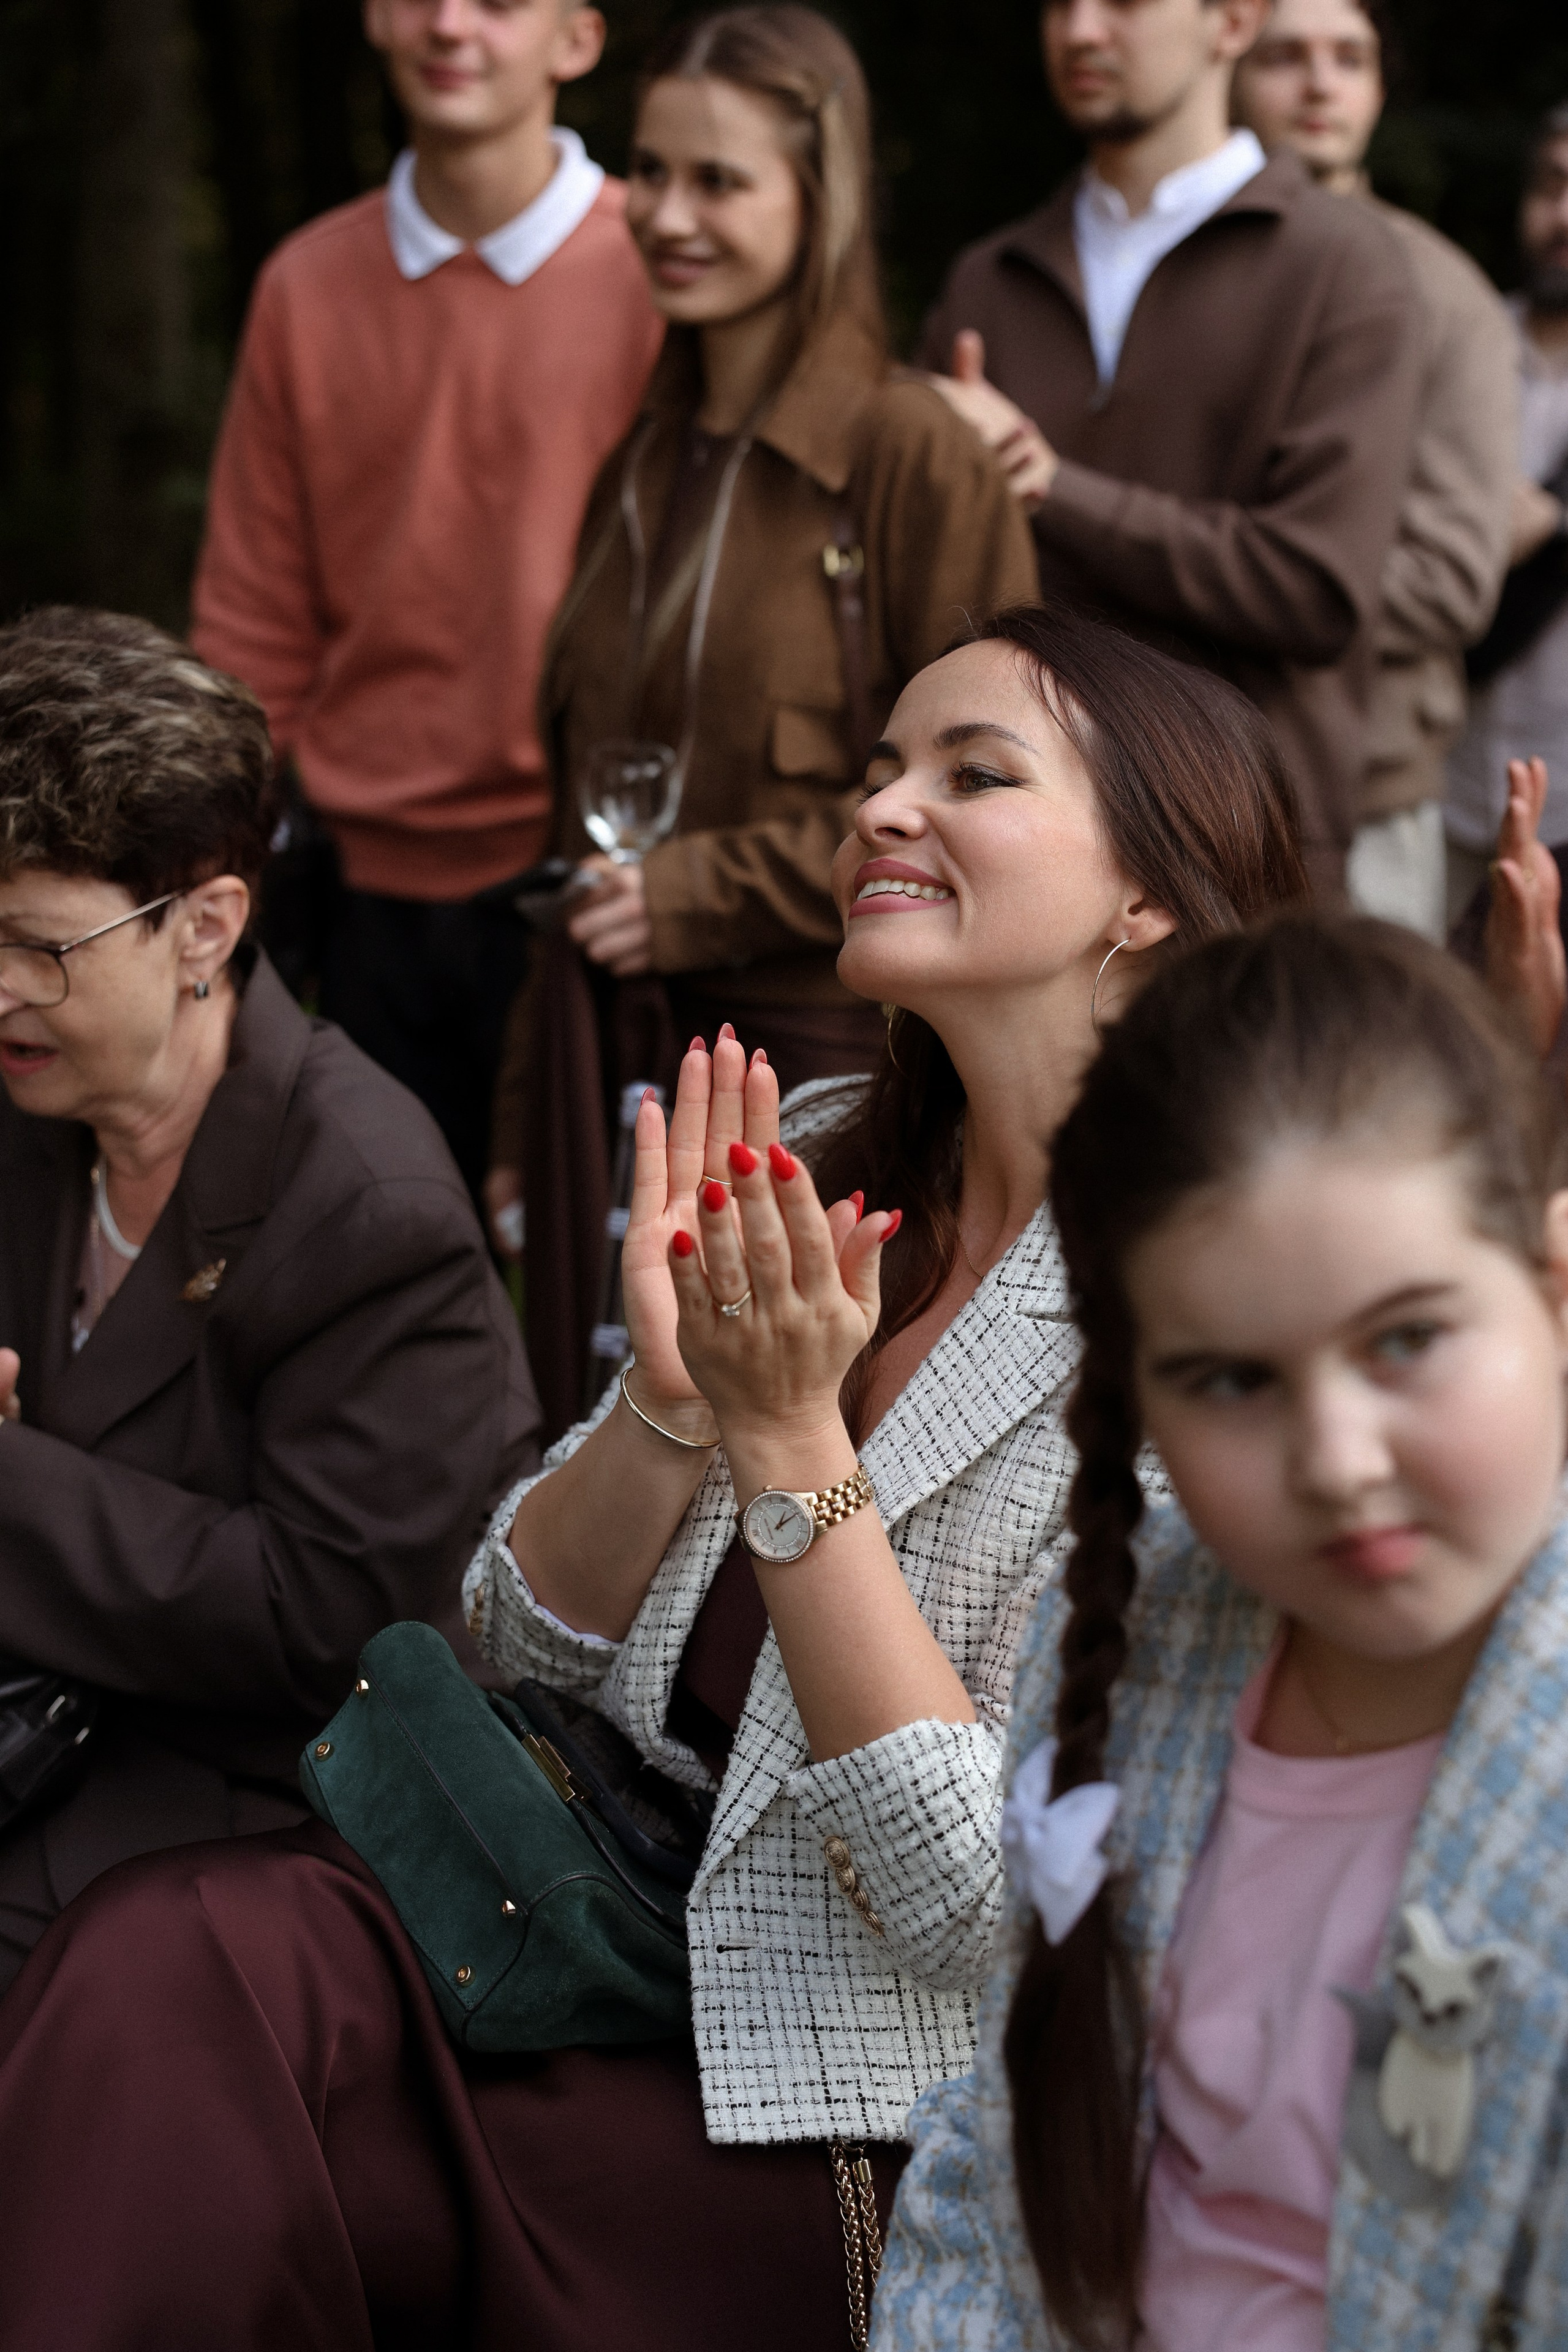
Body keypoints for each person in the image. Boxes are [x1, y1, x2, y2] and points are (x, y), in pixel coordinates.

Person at [0, 606, 1302, 2351]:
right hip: (585, 1938)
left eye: (970, 775)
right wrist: (669, 1411)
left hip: (852, 2118)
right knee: (162, 1963)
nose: (883, 810)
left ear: (1150, 895)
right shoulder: (831, 1151)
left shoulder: (1212, 1306)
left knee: (197, 2025)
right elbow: (515, 1648)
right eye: (880, 767)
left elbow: (974, 1909)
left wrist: (790, 1451)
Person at [873, 915, 1568, 2350]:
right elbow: (997, 2154)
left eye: (1405, 1341)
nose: (1335, 1459)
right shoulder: (1138, 1648)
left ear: (1548, 1289)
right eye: (1230, 1380)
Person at [483, 4, 1039, 1436]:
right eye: (647, 173)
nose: (665, 214)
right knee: (600, 1461)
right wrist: (522, 1122)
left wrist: (695, 893)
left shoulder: (912, 455)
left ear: (821, 193)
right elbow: (576, 823)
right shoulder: (643, 455)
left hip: (836, 1077)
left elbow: (999, 803)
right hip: (618, 1064)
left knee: (778, 1464)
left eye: (718, 181)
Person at [0, 610, 540, 1996]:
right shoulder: (37, 1104)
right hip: (58, 1726)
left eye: (35, 944)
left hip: (275, 1805)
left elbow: (326, 1615)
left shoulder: (364, 1201)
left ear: (208, 927)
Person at [189, 0, 663, 1202]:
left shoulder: (659, 267)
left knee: (592, 1305)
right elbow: (253, 608)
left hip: (599, 880)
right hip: (361, 886)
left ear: (577, 39)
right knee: (371, 1261)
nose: (451, 26)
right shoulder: (306, 282)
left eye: (499, 3)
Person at [916, 0, 1423, 901]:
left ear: (1230, 22)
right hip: (1006, 867)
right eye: (1059, 6)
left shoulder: (1347, 262)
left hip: (1243, 864)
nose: (1079, 32)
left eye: (1122, 4)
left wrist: (1051, 486)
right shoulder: (987, 277)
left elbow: (1315, 588)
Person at [1232, 0, 1517, 942]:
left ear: (1381, 88)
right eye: (1287, 56)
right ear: (1225, 60)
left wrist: (1224, 583)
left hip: (1370, 791)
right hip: (1152, 770)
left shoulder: (1444, 291)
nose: (1320, 83)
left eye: (1348, 58)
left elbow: (1448, 579)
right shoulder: (1159, 269)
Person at [1446, 105, 1568, 927]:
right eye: (1552, 186)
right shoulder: (1461, 339)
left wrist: (1555, 518)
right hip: (1440, 783)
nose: (1566, 215)